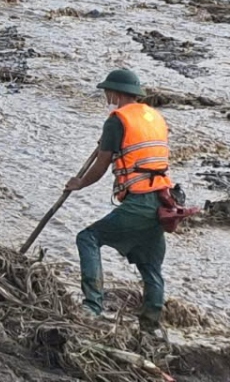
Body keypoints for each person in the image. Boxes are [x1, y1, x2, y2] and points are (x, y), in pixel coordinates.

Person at [66, 69, 175, 339]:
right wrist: (109, 142)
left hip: (139, 201)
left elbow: (102, 165)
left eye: (107, 92)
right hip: (162, 200)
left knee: (87, 238)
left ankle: (92, 307)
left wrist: (78, 183)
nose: (106, 96)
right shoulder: (154, 116)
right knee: (150, 266)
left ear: (115, 92)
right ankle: (151, 327)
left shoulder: (117, 120)